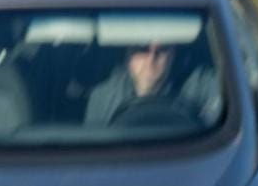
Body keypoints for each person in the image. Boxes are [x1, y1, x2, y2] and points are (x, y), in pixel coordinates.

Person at [84, 41, 218, 126]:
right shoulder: (103, 96)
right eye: (142, 49)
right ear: (127, 55)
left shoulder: (200, 85)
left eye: (162, 50)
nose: (151, 59)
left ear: (173, 55)